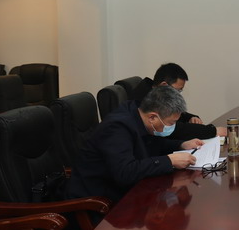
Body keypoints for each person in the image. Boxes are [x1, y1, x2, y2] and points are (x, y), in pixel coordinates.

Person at [66, 86, 202, 203]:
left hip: (121, 190)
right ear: (153, 117)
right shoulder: (117, 128)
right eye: (171, 123)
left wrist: (181, 145)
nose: (173, 126)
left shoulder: (138, 113)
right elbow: (125, 173)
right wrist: (169, 161)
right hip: (97, 202)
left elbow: (153, 143)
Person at [132, 62, 225, 140]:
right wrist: (212, 131)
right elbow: (176, 129)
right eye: (177, 90)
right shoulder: (145, 100)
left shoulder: (153, 90)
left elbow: (175, 116)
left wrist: (191, 118)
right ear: (164, 85)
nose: (178, 94)